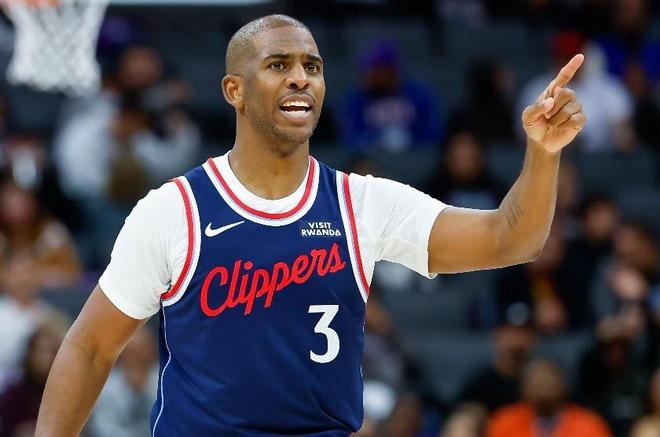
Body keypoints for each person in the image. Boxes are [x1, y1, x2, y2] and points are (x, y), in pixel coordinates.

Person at [36, 14, 587, 436]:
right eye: (279, 65)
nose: (300, 78)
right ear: (234, 90)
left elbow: (510, 239)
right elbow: (89, 348)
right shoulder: (173, 210)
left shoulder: (361, 203)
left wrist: (543, 154)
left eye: (312, 67)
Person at [487, 359, 612, 437]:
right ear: (523, 388)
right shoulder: (504, 422)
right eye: (536, 381)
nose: (543, 386)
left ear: (564, 385)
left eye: (548, 380)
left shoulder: (589, 424)